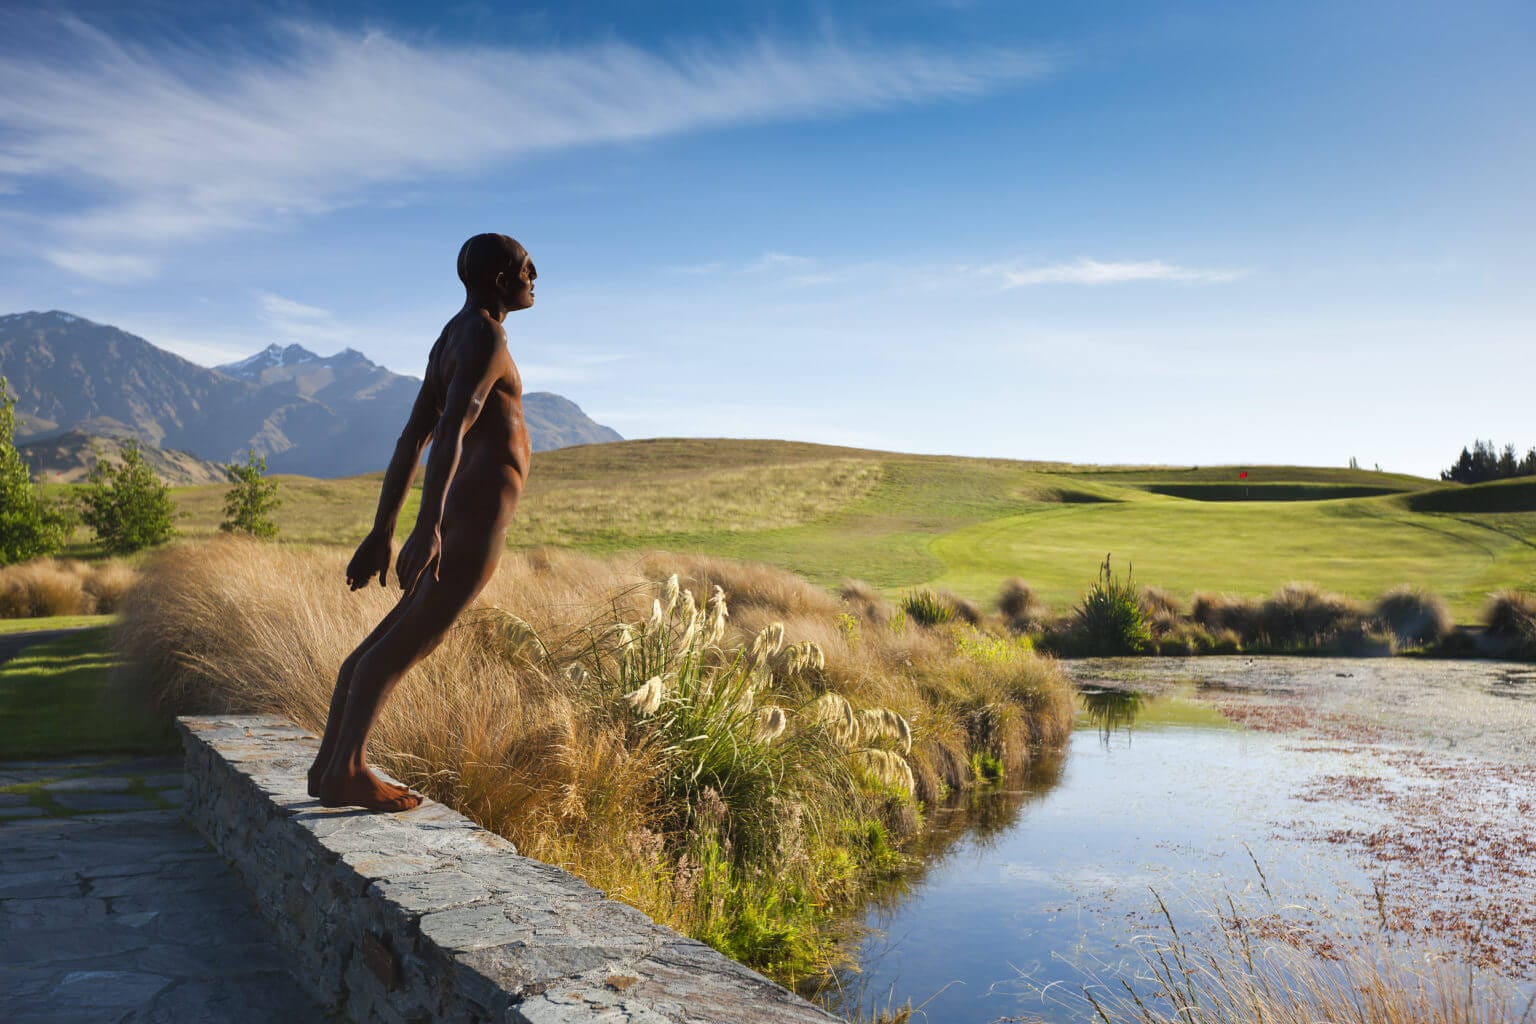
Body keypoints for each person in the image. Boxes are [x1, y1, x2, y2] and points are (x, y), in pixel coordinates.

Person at [307, 233, 536, 811]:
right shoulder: (486, 336)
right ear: (498, 280)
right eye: (524, 268)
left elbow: (415, 436)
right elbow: (449, 430)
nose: (535, 275)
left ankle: (331, 764)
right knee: (409, 640)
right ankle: (349, 770)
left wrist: (384, 529)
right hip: (474, 521)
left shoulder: (452, 336)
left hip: (457, 515)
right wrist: (424, 525)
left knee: (389, 638)